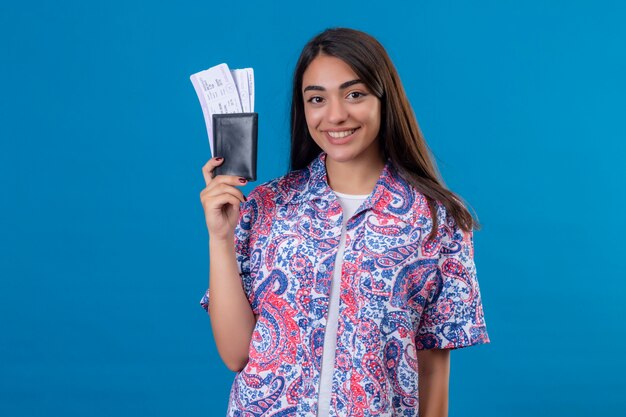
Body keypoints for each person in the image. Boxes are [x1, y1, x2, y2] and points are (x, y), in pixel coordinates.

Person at [199, 27, 489, 417]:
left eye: (354, 94)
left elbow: (433, 370)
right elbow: (236, 355)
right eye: (316, 99)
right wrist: (220, 238)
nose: (335, 115)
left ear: (384, 99)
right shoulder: (266, 206)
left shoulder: (439, 219)